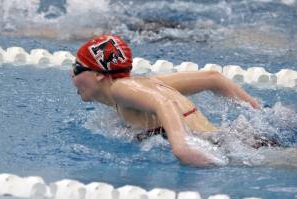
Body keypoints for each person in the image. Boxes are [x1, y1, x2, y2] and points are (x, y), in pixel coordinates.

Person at [70, 34, 261, 167]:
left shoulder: (121, 88)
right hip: (237, 140)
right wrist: (256, 111)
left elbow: (166, 104)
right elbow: (213, 78)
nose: (71, 73)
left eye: (77, 67)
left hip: (227, 148)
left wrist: (181, 147)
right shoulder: (145, 84)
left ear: (98, 74)